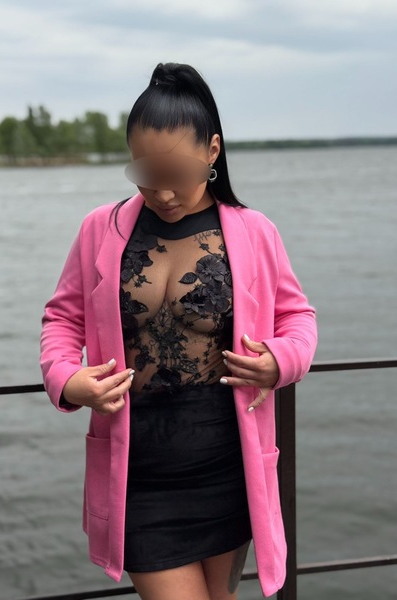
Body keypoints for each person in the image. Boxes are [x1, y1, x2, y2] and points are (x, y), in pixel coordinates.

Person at [40, 62, 317, 600]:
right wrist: (67, 380)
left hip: (230, 461)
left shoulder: (254, 231)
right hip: (137, 470)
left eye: (177, 173)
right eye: (146, 173)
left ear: (212, 152)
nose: (163, 193)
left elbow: (298, 318)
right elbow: (62, 319)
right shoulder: (100, 228)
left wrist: (280, 361)